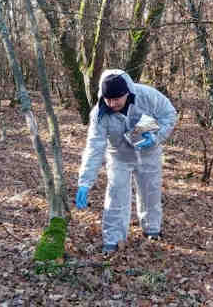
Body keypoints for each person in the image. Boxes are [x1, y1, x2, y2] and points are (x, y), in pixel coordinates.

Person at [75, 69, 177, 254]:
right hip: (118, 156)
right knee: (116, 196)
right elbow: (94, 147)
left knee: (150, 192)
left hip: (149, 153)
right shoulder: (99, 113)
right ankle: (113, 239)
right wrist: (85, 182)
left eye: (117, 99)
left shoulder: (146, 96)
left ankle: (152, 228)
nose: (112, 104)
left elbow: (169, 114)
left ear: (126, 93)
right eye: (108, 99)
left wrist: (156, 137)